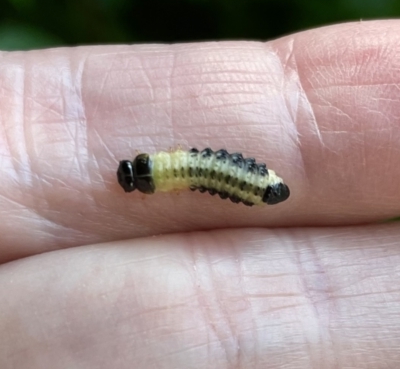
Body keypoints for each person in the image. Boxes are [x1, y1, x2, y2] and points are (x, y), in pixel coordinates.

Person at [0, 20, 399, 368]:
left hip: (230, 179)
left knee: (201, 170)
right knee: (199, 169)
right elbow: (191, 168)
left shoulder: (171, 171)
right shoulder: (168, 168)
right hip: (220, 177)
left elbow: (193, 169)